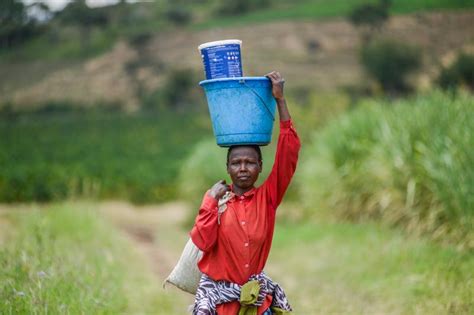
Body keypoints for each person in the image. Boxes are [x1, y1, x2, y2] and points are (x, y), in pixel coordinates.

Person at [190, 71, 301, 315]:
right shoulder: (217, 202)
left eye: (250, 162)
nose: (242, 168)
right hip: (219, 304)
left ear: (260, 167)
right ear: (227, 167)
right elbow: (202, 241)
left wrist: (280, 100)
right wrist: (210, 200)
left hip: (255, 300)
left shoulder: (268, 198)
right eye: (236, 162)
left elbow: (289, 152)